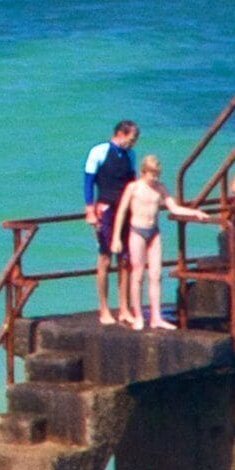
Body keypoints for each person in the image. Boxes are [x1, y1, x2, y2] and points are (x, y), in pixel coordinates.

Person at [110, 158, 217, 331]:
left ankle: (156, 317)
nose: (154, 178)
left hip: (154, 232)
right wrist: (116, 237)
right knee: (137, 275)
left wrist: (195, 213)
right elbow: (121, 211)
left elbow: (174, 208)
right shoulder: (134, 187)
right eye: (152, 174)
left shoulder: (160, 188)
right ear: (144, 172)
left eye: (157, 174)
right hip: (137, 231)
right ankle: (138, 316)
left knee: (156, 274)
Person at [81, 119, 139, 322]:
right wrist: (90, 209)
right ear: (121, 134)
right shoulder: (99, 151)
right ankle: (104, 308)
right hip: (105, 209)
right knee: (105, 258)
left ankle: (124, 307)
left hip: (126, 210)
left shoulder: (130, 155)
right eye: (131, 139)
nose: (133, 143)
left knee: (125, 259)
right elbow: (88, 181)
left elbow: (133, 183)